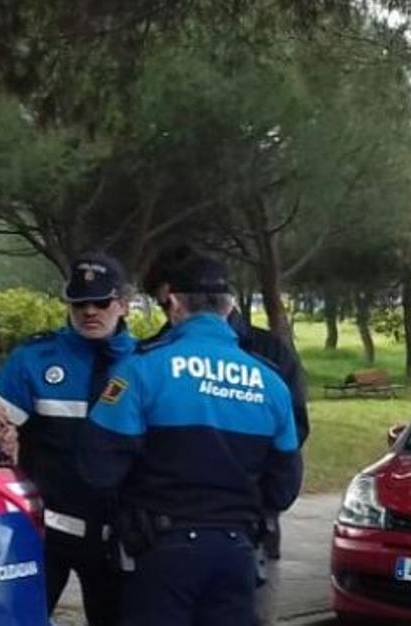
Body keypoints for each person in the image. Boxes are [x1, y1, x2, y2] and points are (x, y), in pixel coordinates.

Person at [79, 255, 302, 626]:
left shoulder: (140, 369)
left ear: (175, 303)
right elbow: (284, 488)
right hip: (237, 554)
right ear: (229, 305)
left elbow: (97, 466)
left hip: (162, 554)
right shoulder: (271, 382)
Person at [142, 245, 310, 626]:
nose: (170, 312)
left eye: (169, 301)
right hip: (164, 537)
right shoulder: (152, 355)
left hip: (248, 533)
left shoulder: (269, 352)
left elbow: (292, 434)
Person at [0, 253, 136, 625]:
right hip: (47, 532)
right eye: (80, 303)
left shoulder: (145, 364)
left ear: (124, 304)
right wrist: (5, 438)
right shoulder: (35, 359)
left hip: (116, 534)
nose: (90, 312)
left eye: (101, 302)